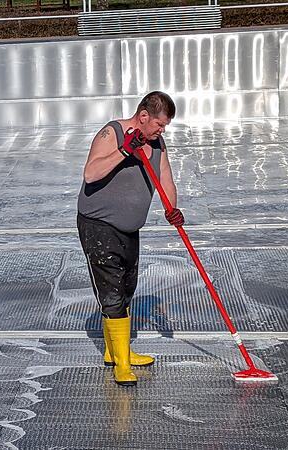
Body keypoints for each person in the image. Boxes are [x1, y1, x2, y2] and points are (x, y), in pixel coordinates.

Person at [77, 91, 184, 386]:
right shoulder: (111, 133)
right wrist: (125, 150)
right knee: (111, 291)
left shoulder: (156, 143)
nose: (162, 131)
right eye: (159, 125)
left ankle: (116, 351)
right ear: (144, 116)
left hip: (128, 228)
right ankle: (121, 365)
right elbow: (91, 173)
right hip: (99, 225)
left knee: (126, 287)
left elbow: (166, 179)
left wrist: (172, 209)